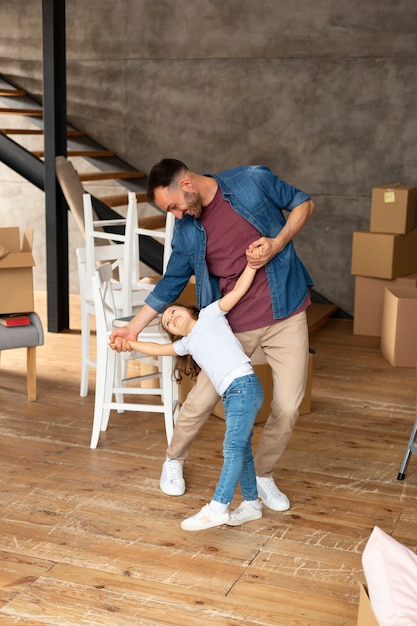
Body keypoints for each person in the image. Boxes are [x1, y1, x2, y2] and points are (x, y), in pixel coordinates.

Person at [109, 159, 314, 517]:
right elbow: (172, 281)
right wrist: (134, 328)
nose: (175, 215)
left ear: (187, 184)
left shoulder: (251, 181)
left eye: (173, 205)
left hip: (286, 311)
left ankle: (263, 474)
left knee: (288, 407)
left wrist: (277, 242)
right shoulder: (188, 229)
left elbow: (303, 202)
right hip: (228, 325)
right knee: (201, 400)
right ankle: (173, 459)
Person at [112, 261, 264, 531]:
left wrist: (251, 266)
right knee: (241, 449)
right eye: (168, 323)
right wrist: (129, 341)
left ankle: (218, 507)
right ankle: (252, 504)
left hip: (243, 386)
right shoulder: (186, 344)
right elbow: (156, 350)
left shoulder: (210, 315)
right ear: (174, 335)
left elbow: (239, 290)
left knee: (232, 449)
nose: (170, 318)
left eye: (172, 311)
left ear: (187, 309)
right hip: (233, 394)